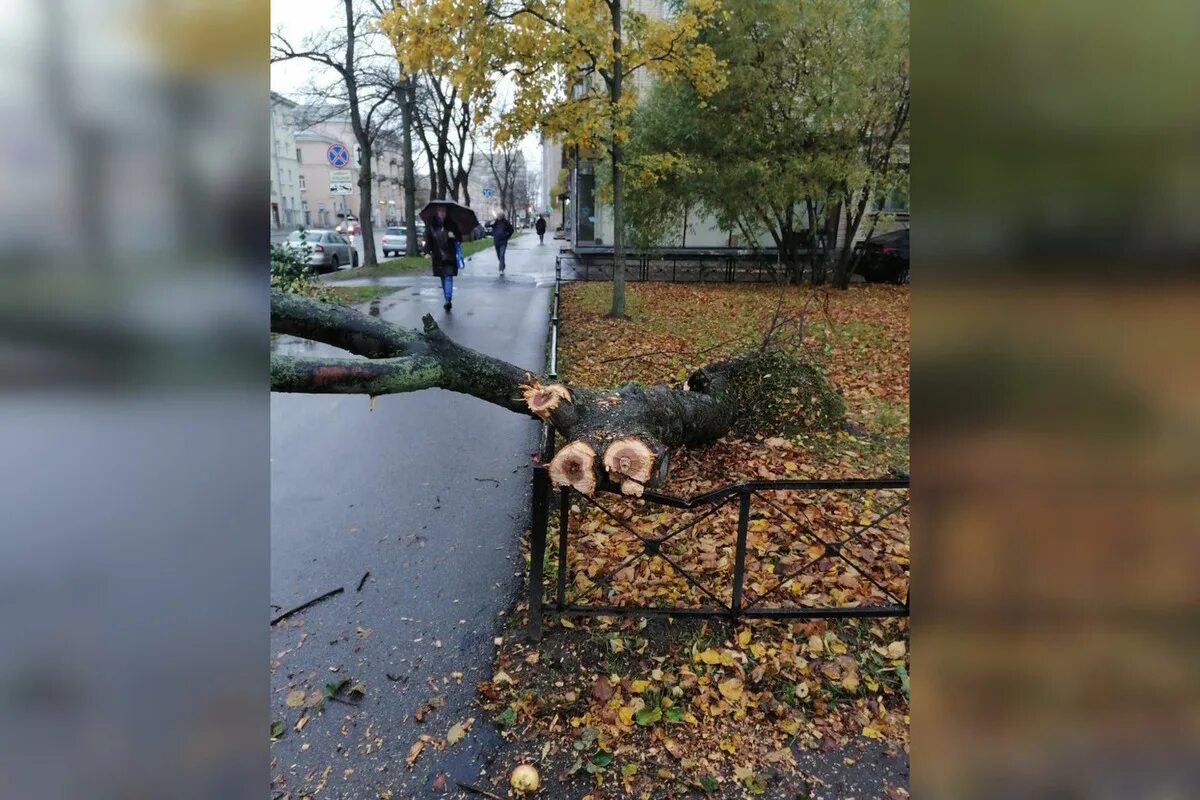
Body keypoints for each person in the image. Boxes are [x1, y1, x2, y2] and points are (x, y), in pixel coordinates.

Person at [424, 206, 462, 311]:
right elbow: (428, 239)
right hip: (437, 256)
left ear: (446, 213)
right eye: (440, 211)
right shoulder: (432, 225)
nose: (442, 213)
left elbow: (460, 238)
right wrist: (426, 252)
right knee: (442, 277)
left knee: (448, 277)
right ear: (436, 212)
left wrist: (454, 236)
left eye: (444, 211)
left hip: (449, 254)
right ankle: (447, 298)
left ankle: (448, 299)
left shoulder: (452, 224)